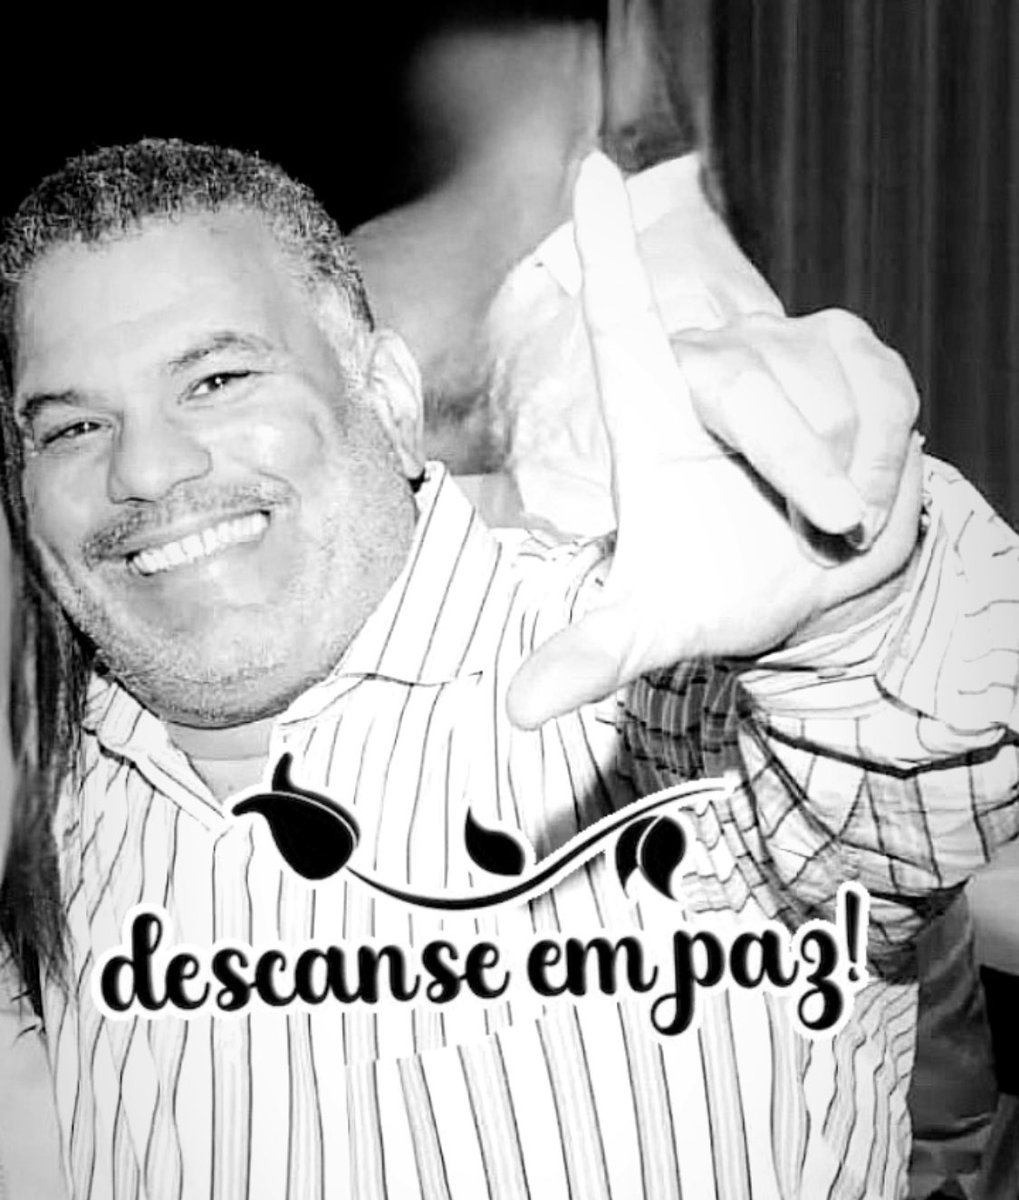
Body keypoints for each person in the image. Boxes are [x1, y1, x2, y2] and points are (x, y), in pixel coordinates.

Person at [0, 137, 1016, 1200]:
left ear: (390, 400)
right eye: (73, 426)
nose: (145, 467)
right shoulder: (45, 805)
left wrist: (856, 597)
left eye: (217, 379)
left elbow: (917, 775)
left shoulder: (648, 696)